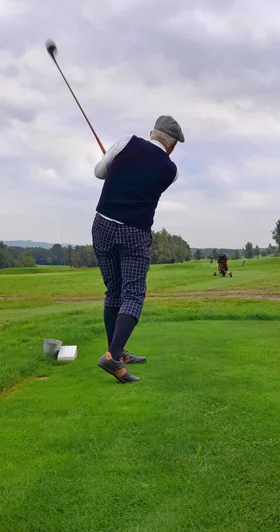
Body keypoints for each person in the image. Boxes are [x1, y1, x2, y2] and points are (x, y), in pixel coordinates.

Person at [92, 116, 184, 383]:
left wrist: (113, 165)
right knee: (132, 294)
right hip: (134, 232)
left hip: (102, 225)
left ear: (151, 133)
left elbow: (99, 172)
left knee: (114, 291)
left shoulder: (125, 142)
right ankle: (113, 356)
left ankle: (116, 352)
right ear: (173, 145)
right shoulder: (172, 170)